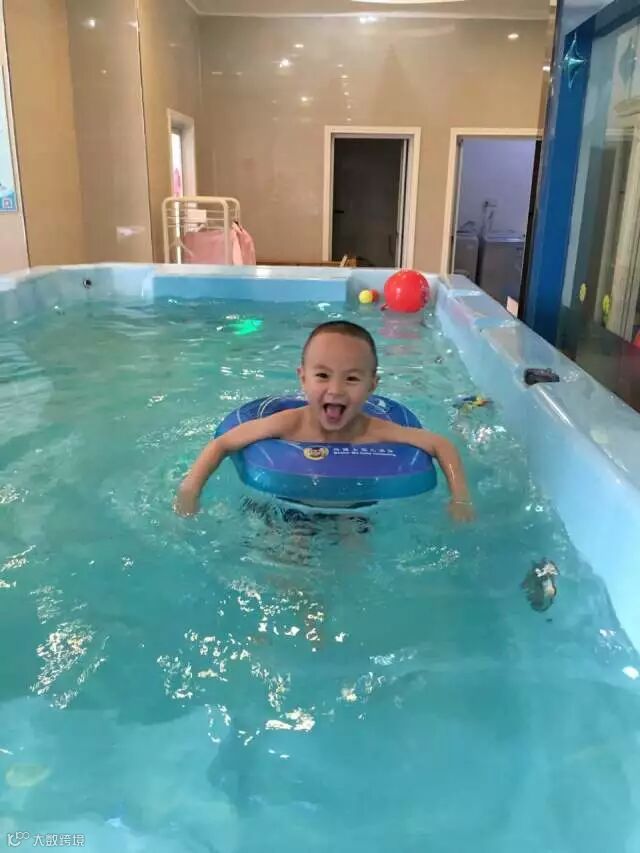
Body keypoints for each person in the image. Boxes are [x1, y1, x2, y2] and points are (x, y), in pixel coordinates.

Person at [175, 320, 474, 522]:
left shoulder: (375, 430)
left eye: (352, 379)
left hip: (354, 510)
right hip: (289, 506)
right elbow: (223, 444)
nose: (336, 389)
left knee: (355, 554)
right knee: (291, 560)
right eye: (322, 375)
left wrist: (460, 500)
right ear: (303, 378)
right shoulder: (289, 424)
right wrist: (189, 492)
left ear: (372, 386)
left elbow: (440, 445)